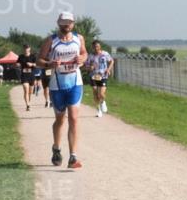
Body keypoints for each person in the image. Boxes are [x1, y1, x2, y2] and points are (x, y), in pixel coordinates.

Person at [37, 11, 88, 169]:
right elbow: (39, 60)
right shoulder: (51, 41)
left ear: (73, 24)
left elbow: (84, 53)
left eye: (69, 22)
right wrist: (49, 64)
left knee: (73, 117)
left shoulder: (78, 38)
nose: (66, 25)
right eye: (63, 22)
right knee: (60, 120)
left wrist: (82, 58)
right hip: (57, 84)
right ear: (58, 23)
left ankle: (73, 157)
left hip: (75, 82)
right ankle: (56, 149)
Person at [85, 40, 114, 117]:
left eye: (97, 46)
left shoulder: (105, 54)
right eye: (94, 47)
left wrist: (108, 69)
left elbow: (111, 61)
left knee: (101, 94)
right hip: (93, 76)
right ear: (92, 47)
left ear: (100, 46)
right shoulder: (90, 56)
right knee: (95, 93)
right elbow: (86, 66)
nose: (96, 48)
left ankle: (103, 102)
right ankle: (99, 110)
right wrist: (90, 68)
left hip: (103, 76)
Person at [17, 44, 37, 111]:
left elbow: (37, 64)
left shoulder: (33, 56)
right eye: (25, 48)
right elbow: (17, 63)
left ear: (29, 49)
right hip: (24, 75)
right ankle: (27, 105)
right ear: (23, 49)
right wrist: (18, 64)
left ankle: (29, 102)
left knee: (30, 92)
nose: (26, 49)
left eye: (27, 48)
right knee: (26, 90)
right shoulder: (21, 56)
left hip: (31, 75)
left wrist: (32, 64)